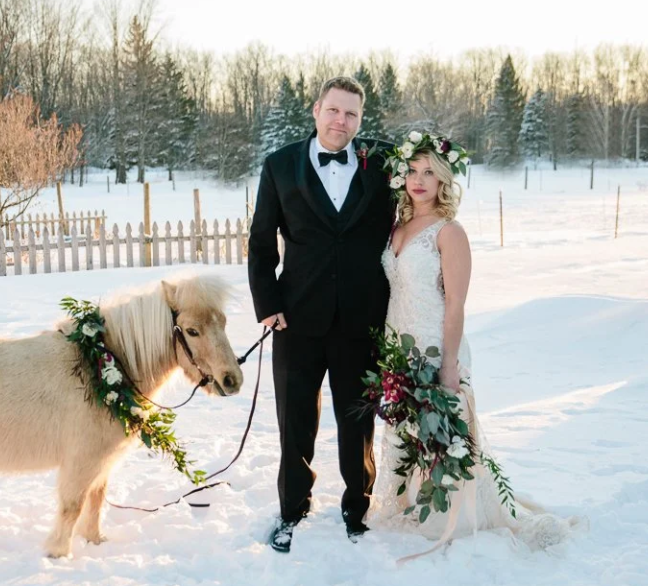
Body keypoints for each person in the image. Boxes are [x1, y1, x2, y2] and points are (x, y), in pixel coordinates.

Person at [370, 136, 582, 562]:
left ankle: (452, 514)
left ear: (444, 179)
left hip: (435, 347)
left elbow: (456, 304)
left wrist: (448, 365)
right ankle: (405, 500)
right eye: (412, 170)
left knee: (443, 438)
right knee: (405, 432)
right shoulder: (395, 225)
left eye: (429, 171)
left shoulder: (450, 233)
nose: (419, 180)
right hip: (399, 347)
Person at [247, 76, 396, 553]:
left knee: (358, 423)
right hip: (295, 319)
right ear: (316, 110)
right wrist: (267, 306)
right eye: (334, 110)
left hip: (361, 319)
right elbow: (260, 241)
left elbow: (427, 184)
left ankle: (358, 510)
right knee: (295, 423)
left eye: (351, 114)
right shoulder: (280, 165)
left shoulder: (382, 163)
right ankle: (292, 509)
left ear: (361, 119)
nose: (341, 121)